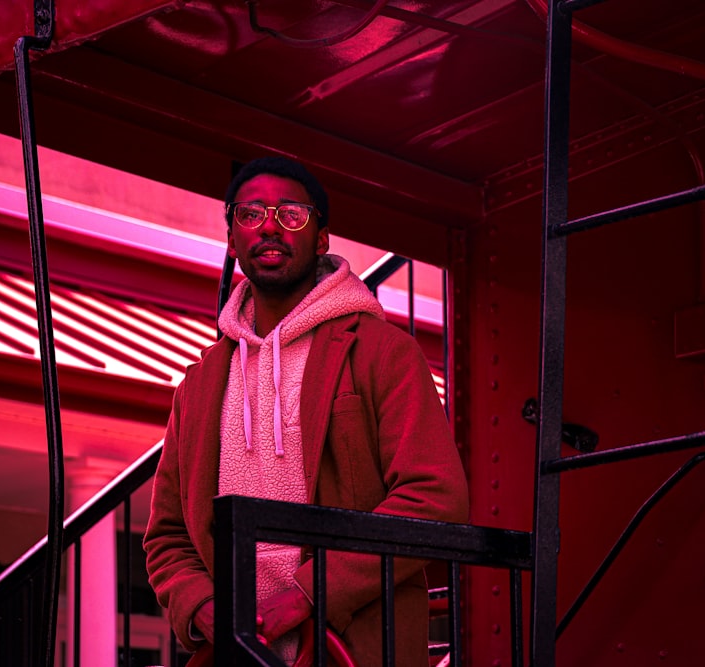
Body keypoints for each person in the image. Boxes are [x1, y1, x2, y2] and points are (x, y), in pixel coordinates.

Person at [143, 156, 469, 666]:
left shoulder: (382, 351)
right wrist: (203, 606)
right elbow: (167, 535)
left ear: (321, 238)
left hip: (356, 649)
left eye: (291, 213)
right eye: (250, 214)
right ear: (232, 239)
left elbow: (435, 498)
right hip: (235, 654)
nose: (270, 226)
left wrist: (309, 593)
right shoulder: (199, 383)